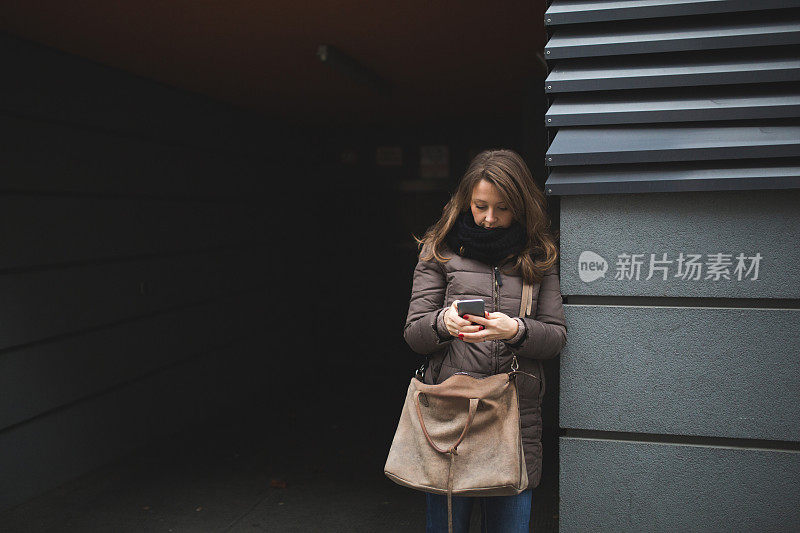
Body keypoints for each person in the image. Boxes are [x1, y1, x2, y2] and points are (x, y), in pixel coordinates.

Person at [403, 149, 567, 532]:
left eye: (503, 208)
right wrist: (443, 323)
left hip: (514, 420)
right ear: (466, 202)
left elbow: (556, 337)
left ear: (522, 206)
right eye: (480, 206)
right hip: (451, 417)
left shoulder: (538, 256)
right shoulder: (439, 250)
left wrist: (517, 331)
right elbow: (414, 333)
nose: (489, 218)